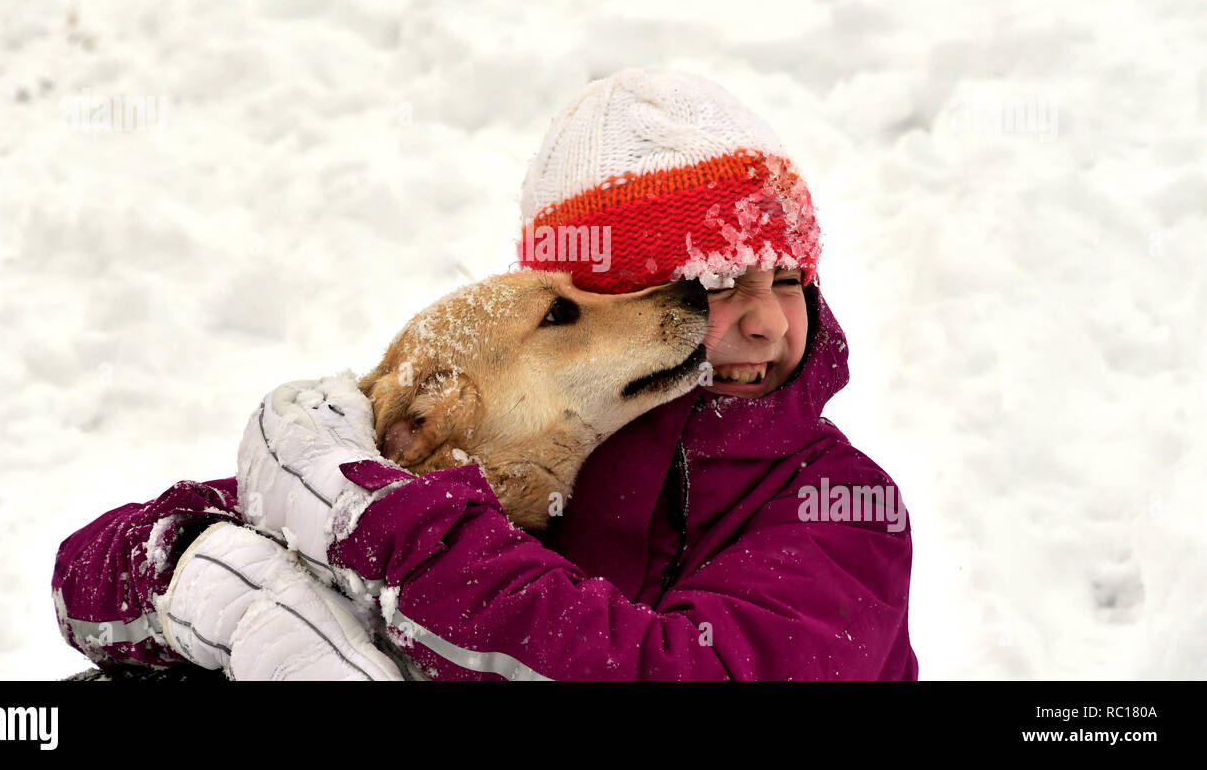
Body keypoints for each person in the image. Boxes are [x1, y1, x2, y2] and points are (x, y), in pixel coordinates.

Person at [51, 67, 919, 680]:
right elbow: (84, 576)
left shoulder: (839, 505)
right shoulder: (502, 458)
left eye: (789, 281)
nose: (765, 320)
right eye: (714, 285)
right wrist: (217, 584)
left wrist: (398, 534)